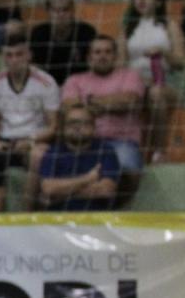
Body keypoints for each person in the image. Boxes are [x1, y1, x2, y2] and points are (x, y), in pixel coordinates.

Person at [60, 36, 146, 204]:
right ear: (89, 57)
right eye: (97, 52)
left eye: (108, 51)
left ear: (115, 56)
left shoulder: (130, 76)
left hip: (122, 142)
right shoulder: (75, 80)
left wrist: (89, 101)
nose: (102, 56)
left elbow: (129, 101)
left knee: (129, 171)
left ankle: (114, 212)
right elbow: (70, 108)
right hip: (82, 142)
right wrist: (111, 103)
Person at [0, 33, 60, 209]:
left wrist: (30, 140)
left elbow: (53, 126)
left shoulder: (46, 83)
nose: (14, 60)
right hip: (4, 140)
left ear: (29, 55)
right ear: (3, 58)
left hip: (35, 139)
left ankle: (27, 212)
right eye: (9, 55)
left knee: (37, 156)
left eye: (19, 54)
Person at [122, 0, 185, 160]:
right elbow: (120, 64)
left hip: (166, 83)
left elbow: (180, 62)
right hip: (135, 83)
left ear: (158, 1)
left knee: (156, 93)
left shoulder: (170, 25)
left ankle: (160, 151)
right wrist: (136, 80)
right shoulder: (127, 28)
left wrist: (164, 52)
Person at [38, 102, 121, 210]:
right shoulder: (53, 152)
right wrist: (87, 179)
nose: (77, 127)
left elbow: (105, 190)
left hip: (96, 219)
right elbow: (48, 188)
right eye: (72, 123)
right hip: (58, 218)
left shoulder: (106, 150)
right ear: (63, 128)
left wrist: (60, 195)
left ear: (93, 127)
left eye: (84, 123)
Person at [28, 0, 97, 86]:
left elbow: (94, 66)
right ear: (48, 11)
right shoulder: (38, 33)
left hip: (80, 87)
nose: (61, 14)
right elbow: (33, 66)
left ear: (73, 10)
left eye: (65, 9)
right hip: (46, 86)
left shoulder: (86, 32)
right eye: (55, 10)